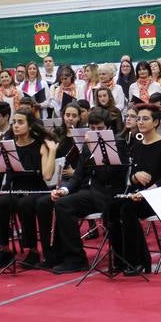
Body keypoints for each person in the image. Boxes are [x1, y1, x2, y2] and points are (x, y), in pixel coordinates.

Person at [48, 108, 126, 274]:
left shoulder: (117, 143)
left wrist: (97, 151)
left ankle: (76, 258)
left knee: (64, 206)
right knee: (61, 202)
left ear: (108, 128)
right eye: (92, 128)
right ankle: (67, 255)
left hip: (109, 193)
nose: (95, 132)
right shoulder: (87, 144)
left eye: (100, 129)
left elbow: (110, 175)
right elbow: (78, 175)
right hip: (90, 191)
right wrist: (64, 189)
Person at [108, 104, 161, 276]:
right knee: (110, 209)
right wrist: (135, 177)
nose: (140, 122)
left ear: (155, 122)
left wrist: (147, 192)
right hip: (137, 193)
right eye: (138, 119)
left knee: (127, 210)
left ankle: (137, 260)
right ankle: (120, 258)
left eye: (145, 119)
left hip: (158, 195)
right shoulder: (137, 145)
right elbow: (132, 176)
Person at [0, 110, 58, 271]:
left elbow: (47, 176)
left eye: (20, 122)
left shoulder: (41, 145)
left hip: (35, 190)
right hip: (14, 189)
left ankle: (32, 251)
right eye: (14, 122)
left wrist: (52, 151)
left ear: (30, 125)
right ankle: (5, 249)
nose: (16, 126)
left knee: (25, 204)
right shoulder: (8, 146)